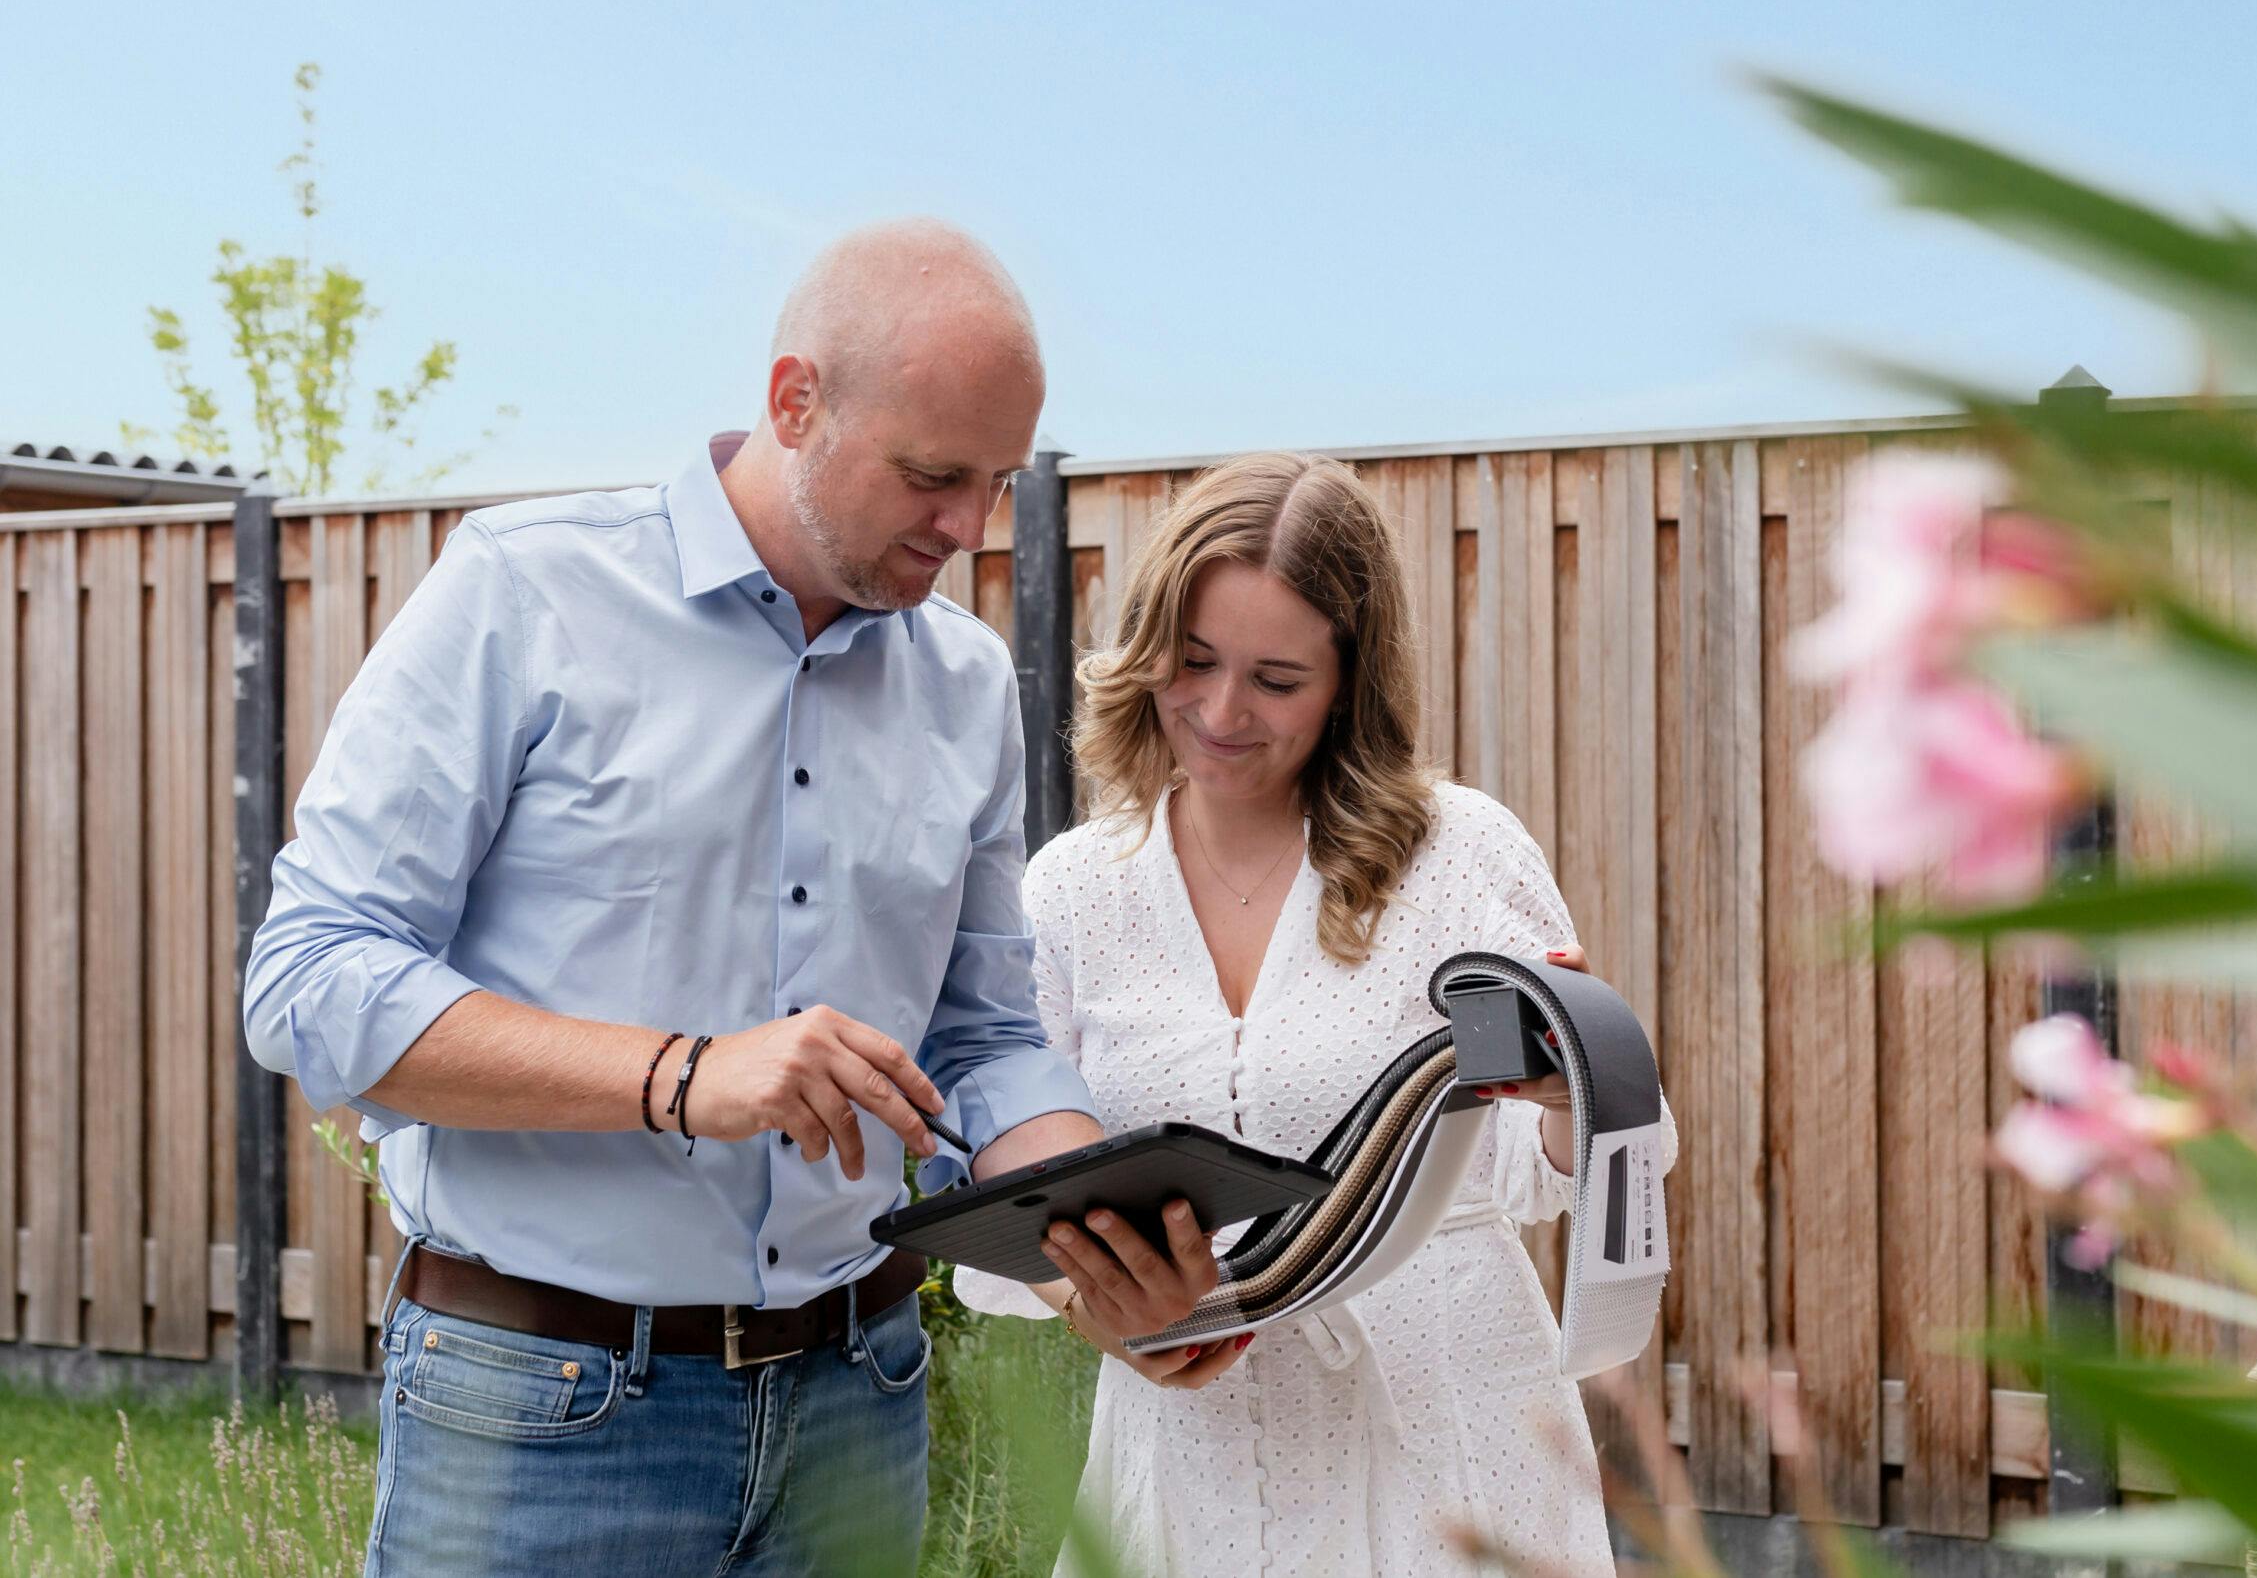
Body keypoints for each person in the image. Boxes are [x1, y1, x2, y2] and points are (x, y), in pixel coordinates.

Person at [242, 220, 1216, 1578]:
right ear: (793, 401)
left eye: (996, 482)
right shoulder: (525, 594)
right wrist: (686, 1073)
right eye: (934, 475)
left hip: (857, 1408)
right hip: (541, 1408)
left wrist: (1097, 1233)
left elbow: (983, 1034)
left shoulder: (966, 683)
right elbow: (312, 982)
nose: (968, 526)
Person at [956, 452, 1676, 1577]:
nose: (1221, 711)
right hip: (1188, 1458)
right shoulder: (1073, 892)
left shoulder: (1458, 855)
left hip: (1450, 1437)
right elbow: (1012, 1205)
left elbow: (1553, 1177)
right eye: (1192, 662)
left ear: (1349, 681)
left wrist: (1567, 1091)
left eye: (1276, 679)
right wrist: (1105, 1304)